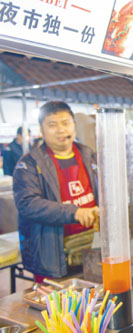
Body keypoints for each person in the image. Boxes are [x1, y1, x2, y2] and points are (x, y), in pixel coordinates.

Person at [13, 101, 99, 282]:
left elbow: (104, 190)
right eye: (52, 125)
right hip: (53, 254)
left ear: (74, 125)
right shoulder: (29, 163)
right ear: (42, 130)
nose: (61, 130)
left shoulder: (88, 154)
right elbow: (27, 204)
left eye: (66, 123)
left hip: (92, 248)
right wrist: (74, 212)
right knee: (61, 309)